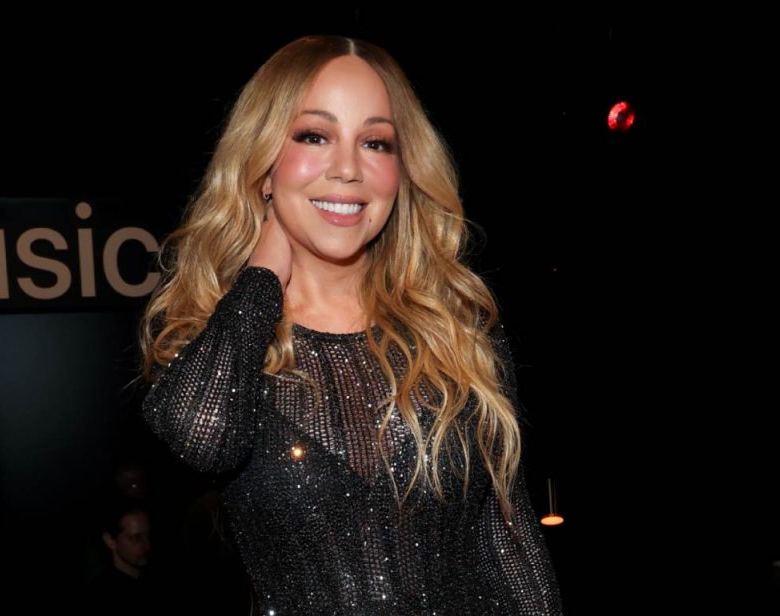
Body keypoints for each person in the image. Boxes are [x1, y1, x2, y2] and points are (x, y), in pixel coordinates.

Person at [139, 34, 562, 614]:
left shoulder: (455, 334)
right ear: (263, 164)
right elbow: (201, 442)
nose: (347, 169)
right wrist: (262, 276)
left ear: (402, 170)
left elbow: (509, 545)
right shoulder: (222, 339)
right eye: (314, 136)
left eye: (376, 143)